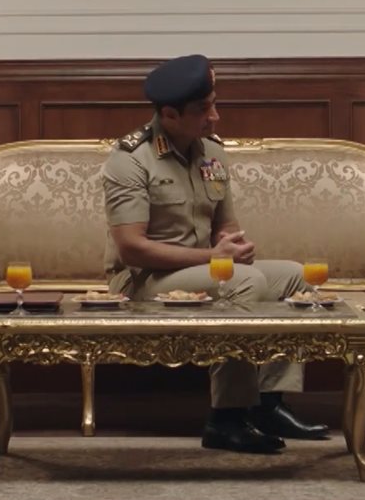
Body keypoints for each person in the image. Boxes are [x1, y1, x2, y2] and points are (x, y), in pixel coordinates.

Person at [103, 54, 329, 454]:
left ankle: (268, 404)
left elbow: (226, 225)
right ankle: (226, 418)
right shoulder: (130, 159)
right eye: (203, 110)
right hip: (143, 281)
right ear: (169, 115)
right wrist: (215, 258)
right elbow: (132, 249)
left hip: (202, 268)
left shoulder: (212, 152)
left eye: (214, 104)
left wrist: (233, 246)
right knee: (245, 282)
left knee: (295, 277)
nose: (215, 117)